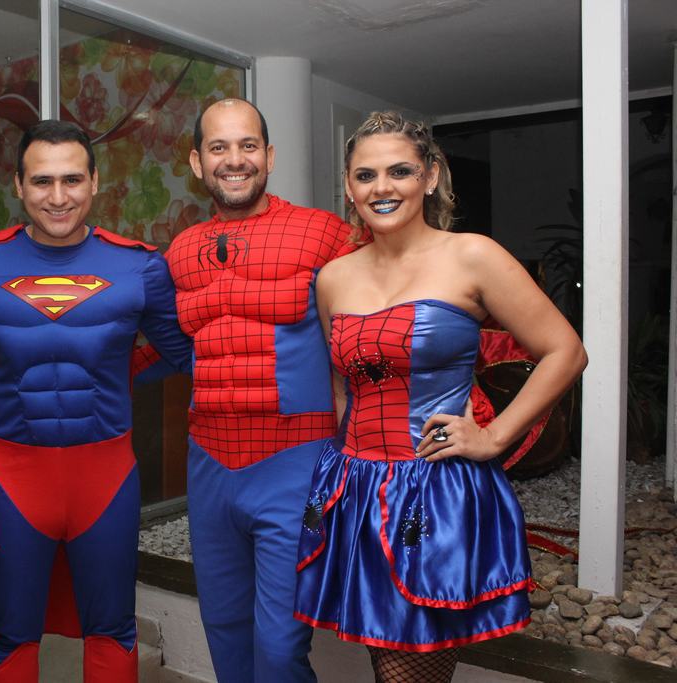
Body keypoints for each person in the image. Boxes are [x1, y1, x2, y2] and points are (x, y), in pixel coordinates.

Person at [294, 111, 587, 682]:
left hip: (433, 491)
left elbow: (565, 351)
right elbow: (340, 385)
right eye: (365, 175)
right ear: (349, 188)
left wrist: (495, 435)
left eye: (399, 170)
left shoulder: (472, 255)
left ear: (430, 176)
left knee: (406, 670)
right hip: (355, 487)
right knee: (386, 659)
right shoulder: (333, 278)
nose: (382, 188)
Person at [0, 119, 192, 682]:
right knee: (11, 629)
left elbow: (183, 353)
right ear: (17, 185)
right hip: (14, 475)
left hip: (105, 474)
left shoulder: (140, 265)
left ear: (94, 181)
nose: (58, 198)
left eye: (72, 180)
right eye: (41, 182)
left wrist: (116, 372)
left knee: (111, 626)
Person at [164, 98, 357, 683]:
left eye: (248, 145)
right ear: (197, 162)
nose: (235, 159)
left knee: (278, 649)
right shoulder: (179, 252)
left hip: (294, 461)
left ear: (269, 155)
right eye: (218, 147)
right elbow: (162, 348)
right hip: (210, 466)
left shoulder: (326, 234)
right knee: (225, 631)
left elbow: (377, 326)